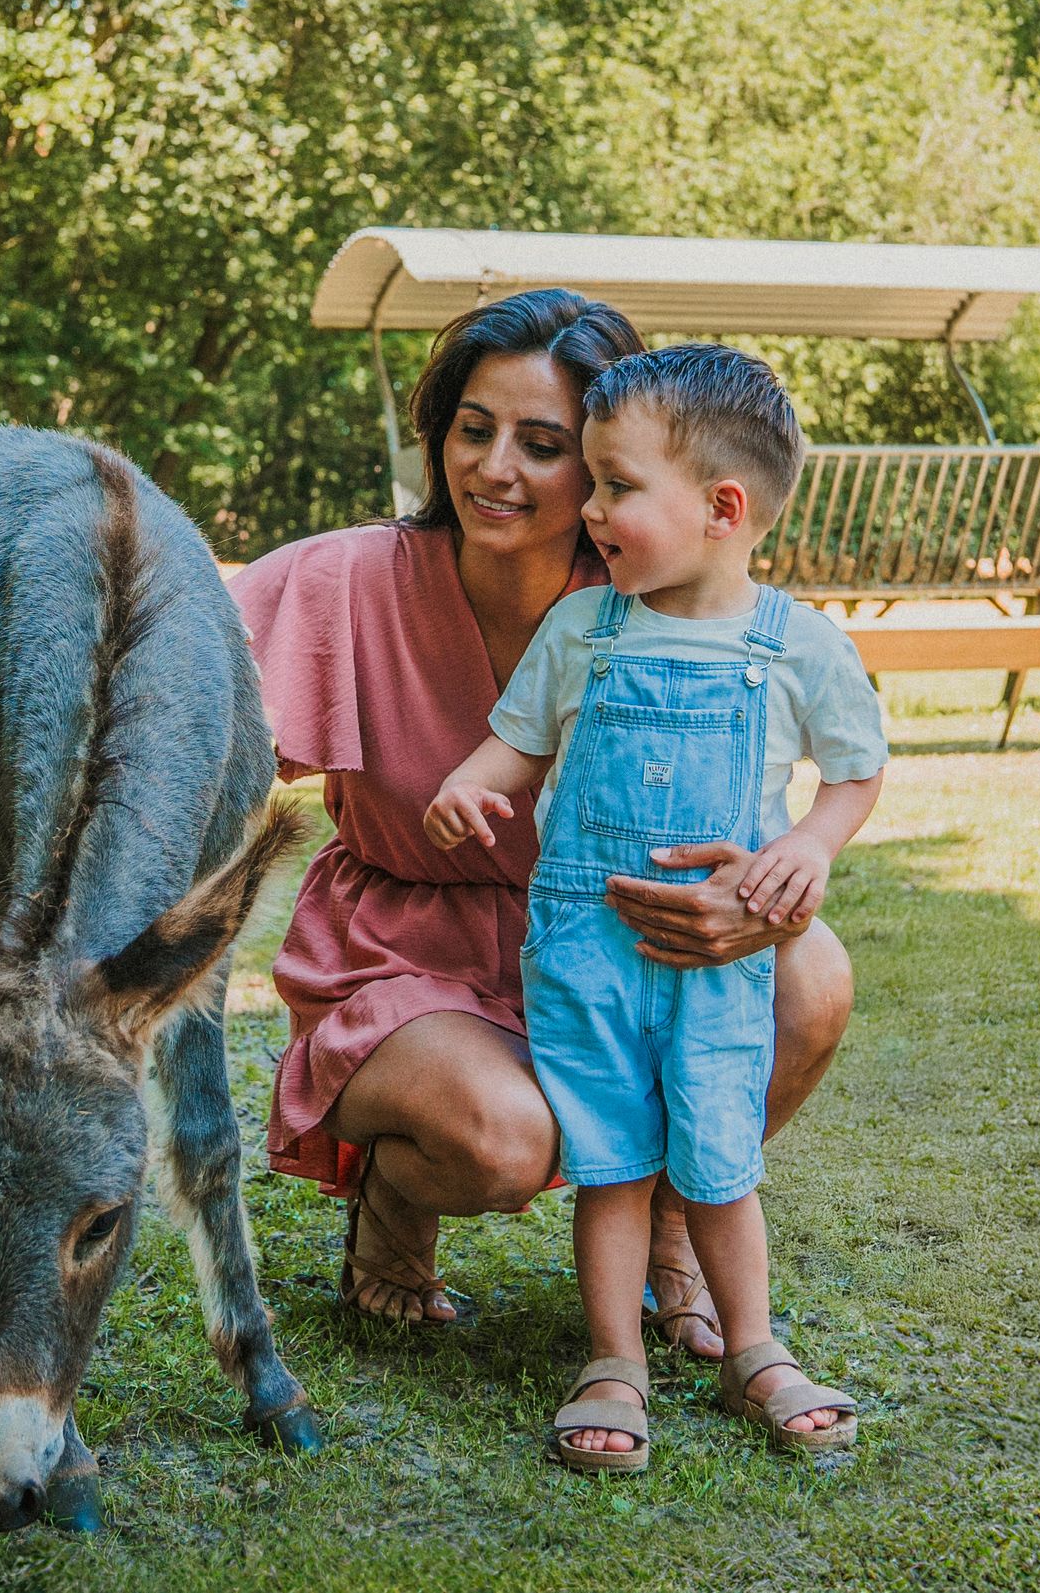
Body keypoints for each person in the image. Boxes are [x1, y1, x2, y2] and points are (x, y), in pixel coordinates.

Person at [231, 290, 854, 1352]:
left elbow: (777, 776)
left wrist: (760, 888)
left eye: (542, 443)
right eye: (473, 429)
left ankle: (673, 1227)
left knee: (815, 973)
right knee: (505, 1140)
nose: (495, 469)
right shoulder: (344, 578)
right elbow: (194, 743)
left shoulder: (664, 606)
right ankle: (391, 1209)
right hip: (402, 947)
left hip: (604, 927)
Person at [425, 343, 878, 1469]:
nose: (589, 504)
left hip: (721, 966)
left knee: (721, 1157)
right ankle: (614, 1354)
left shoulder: (796, 643)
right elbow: (515, 743)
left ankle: (756, 1348)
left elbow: (856, 768)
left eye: (616, 484)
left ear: (724, 507)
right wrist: (466, 788)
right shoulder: (585, 631)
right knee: (615, 1160)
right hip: (590, 954)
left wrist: (814, 843)